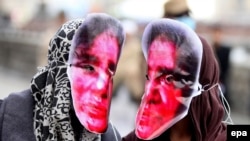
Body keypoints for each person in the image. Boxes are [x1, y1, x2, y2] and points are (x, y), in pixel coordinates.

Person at [0, 13, 125, 141]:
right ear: (60, 68)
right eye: (89, 68)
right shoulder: (8, 114)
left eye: (109, 72)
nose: (101, 86)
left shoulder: (111, 137)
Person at [122, 19, 231, 141]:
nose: (150, 93)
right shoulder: (142, 137)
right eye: (149, 77)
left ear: (200, 86)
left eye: (168, 79)